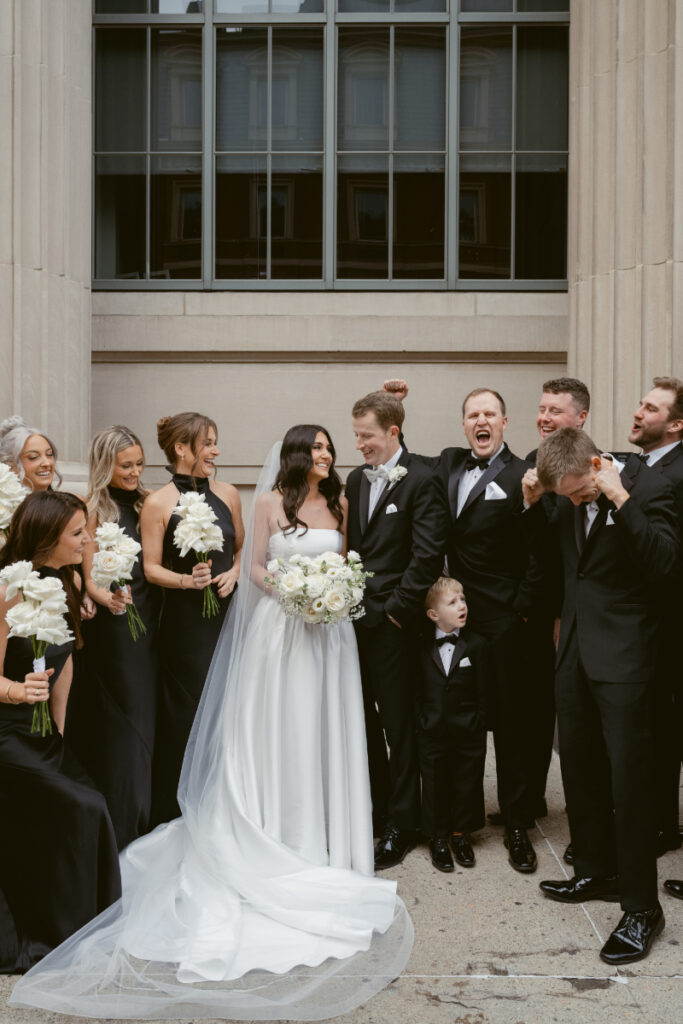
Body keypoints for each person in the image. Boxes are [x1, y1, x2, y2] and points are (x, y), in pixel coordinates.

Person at [9, 425, 413, 1020]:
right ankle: (259, 820)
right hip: (262, 626)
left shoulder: (327, 502)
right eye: (320, 446)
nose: (329, 455)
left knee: (326, 733)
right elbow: (235, 565)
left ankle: (328, 829)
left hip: (328, 634)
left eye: (334, 447)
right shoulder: (245, 499)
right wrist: (290, 593)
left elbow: (340, 559)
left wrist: (331, 593)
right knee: (258, 728)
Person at [523, 427, 679, 964]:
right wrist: (534, 508)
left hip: (628, 660)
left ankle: (641, 909)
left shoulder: (647, 487)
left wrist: (619, 498)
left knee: (630, 784)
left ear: (596, 465)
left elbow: (664, 564)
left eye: (581, 493)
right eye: (566, 498)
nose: (575, 503)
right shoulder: (567, 493)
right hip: (575, 655)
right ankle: (596, 870)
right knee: (581, 770)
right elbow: (559, 567)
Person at [0, 491, 121, 973]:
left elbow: (65, 663)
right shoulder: (8, 589)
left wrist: (59, 738)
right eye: (77, 533)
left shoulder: (66, 580)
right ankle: (53, 932)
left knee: (91, 804)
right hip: (5, 732)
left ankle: (81, 927)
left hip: (42, 734)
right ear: (47, 537)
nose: (87, 539)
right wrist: (15, 693)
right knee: (83, 806)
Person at [346, 391, 449, 870]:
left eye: (366, 436)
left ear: (392, 431)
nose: (359, 445)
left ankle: (403, 822)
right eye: (357, 436)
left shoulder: (423, 479)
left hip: (394, 625)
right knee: (363, 721)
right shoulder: (354, 480)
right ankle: (377, 808)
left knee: (399, 724)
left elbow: (428, 555)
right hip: (351, 624)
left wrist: (393, 611)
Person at [141, 412, 244, 825]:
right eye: (208, 443)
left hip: (229, 617)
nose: (215, 451)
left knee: (229, 712)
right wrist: (186, 581)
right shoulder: (158, 502)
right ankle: (182, 812)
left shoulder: (229, 493)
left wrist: (234, 573)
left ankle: (227, 809)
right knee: (189, 712)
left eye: (216, 442)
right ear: (182, 448)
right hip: (186, 628)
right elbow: (150, 567)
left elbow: (240, 548)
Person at [65, 426, 162, 849]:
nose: (135, 472)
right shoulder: (91, 510)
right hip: (119, 627)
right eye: (126, 465)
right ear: (106, 465)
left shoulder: (149, 502)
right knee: (129, 720)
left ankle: (152, 812)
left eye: (139, 464)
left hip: (156, 619)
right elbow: (88, 578)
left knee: (152, 715)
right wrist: (107, 599)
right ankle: (127, 823)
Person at [624, 377, 683, 886]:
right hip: (647, 628)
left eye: (651, 407)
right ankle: (664, 824)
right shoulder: (633, 465)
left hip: (672, 622)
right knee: (661, 732)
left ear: (676, 424)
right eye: (641, 404)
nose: (639, 413)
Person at [417, 577, 487, 874]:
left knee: (467, 779)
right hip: (432, 727)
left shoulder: (477, 644)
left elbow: (486, 689)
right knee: (433, 780)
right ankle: (438, 837)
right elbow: (416, 687)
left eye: (463, 599)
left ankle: (461, 834)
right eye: (452, 602)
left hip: (468, 728)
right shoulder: (421, 645)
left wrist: (479, 721)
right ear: (433, 614)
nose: (462, 606)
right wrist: (421, 719)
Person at [0, 415, 62, 492]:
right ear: (10, 466)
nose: (47, 463)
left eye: (49, 454)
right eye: (33, 457)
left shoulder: (70, 502)